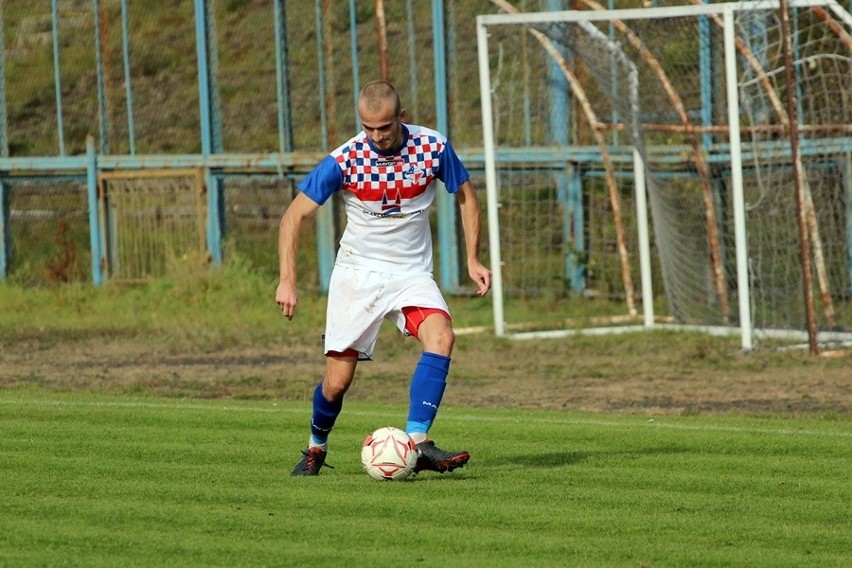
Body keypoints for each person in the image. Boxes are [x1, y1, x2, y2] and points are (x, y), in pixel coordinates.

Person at [276, 80, 491, 477]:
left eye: (385, 128)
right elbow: (293, 217)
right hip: (357, 274)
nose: (376, 136)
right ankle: (315, 448)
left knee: (442, 335)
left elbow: (466, 195)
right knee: (337, 383)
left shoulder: (432, 147)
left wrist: (473, 258)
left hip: (410, 274)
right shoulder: (345, 160)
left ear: (401, 118)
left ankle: (419, 440)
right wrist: (287, 279)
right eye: (368, 127)